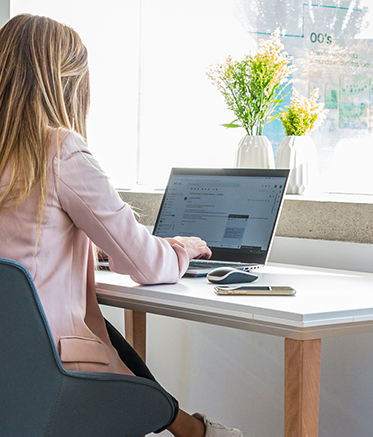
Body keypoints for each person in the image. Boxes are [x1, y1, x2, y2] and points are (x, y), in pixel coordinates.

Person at [0, 14, 243, 437]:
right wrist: (182, 247)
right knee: (108, 344)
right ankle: (196, 430)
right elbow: (148, 266)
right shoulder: (59, 150)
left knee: (110, 336)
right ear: (67, 81)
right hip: (46, 370)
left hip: (9, 367)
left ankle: (190, 429)